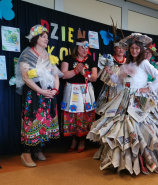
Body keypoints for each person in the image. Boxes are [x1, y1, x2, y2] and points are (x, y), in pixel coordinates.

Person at [87, 33, 158, 175]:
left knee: (140, 127)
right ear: (129, 49)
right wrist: (110, 72)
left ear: (141, 49)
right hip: (124, 99)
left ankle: (142, 160)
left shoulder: (144, 63)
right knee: (122, 128)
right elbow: (118, 80)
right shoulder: (126, 63)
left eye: (137, 48)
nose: (134, 50)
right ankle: (121, 161)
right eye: (132, 48)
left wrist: (148, 88)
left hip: (138, 100)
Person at [15, 25, 62, 167]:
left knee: (44, 121)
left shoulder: (48, 55)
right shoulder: (27, 54)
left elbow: (56, 75)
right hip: (33, 94)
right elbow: (25, 77)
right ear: (35, 38)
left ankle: (38, 148)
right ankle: (26, 153)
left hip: (47, 94)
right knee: (32, 121)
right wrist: (41, 91)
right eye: (43, 36)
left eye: (47, 37)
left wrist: (55, 89)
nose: (46, 39)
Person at [60, 38, 97, 153]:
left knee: (85, 114)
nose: (85, 50)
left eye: (87, 47)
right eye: (83, 47)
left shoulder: (90, 61)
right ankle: (73, 140)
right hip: (72, 91)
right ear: (77, 47)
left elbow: (94, 78)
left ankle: (82, 141)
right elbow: (63, 75)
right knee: (72, 115)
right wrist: (75, 71)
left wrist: (84, 73)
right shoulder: (68, 59)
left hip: (85, 91)